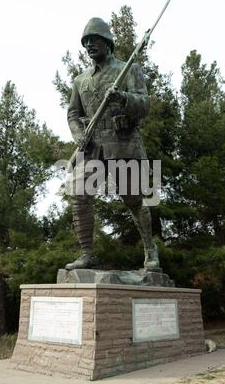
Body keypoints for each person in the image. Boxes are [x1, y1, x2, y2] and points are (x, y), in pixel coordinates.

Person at [65, 17, 160, 271]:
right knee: (79, 195)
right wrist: (78, 135)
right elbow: (73, 114)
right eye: (86, 43)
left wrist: (122, 97)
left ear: (107, 42)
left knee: (133, 199)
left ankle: (150, 249)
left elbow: (144, 105)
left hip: (123, 143)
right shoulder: (80, 80)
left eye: (94, 41)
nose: (89, 46)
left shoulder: (127, 70)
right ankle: (87, 254)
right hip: (92, 146)